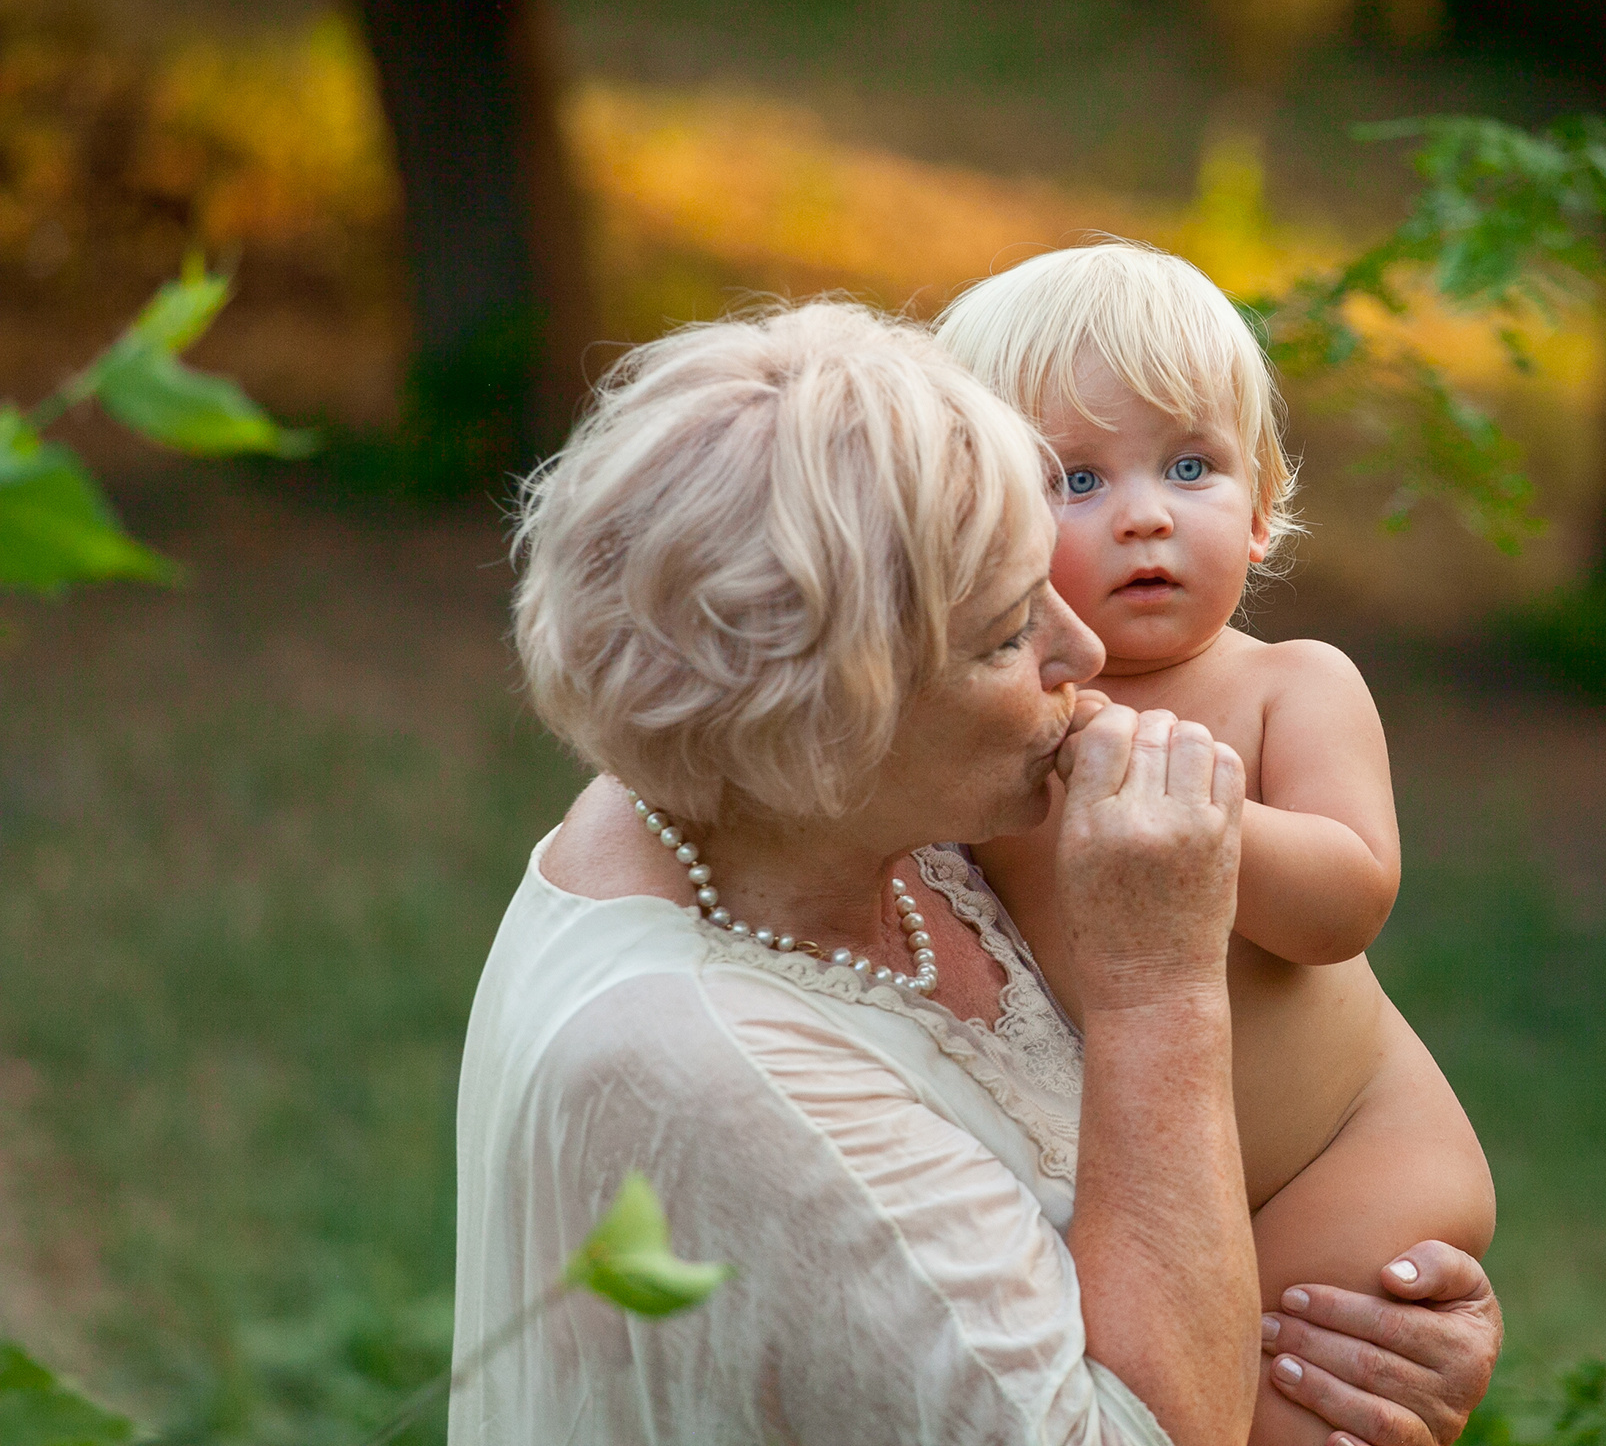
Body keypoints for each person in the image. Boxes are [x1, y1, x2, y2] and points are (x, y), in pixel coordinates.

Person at [456, 298, 1502, 1446]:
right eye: (1009, 633)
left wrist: (1373, 1349)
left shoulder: (799, 808)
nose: (1087, 655)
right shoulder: (731, 1081)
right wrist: (1156, 988)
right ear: (838, 709)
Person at [938, 243, 1498, 1446]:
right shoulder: (992, 728)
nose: (1144, 512)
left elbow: (1346, 903)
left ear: (1257, 511)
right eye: (1073, 481)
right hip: (1155, 1180)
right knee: (1143, 1388)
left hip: (1351, 1149)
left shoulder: (1289, 687)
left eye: (1189, 465)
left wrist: (1189, 803)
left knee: (1255, 1410)